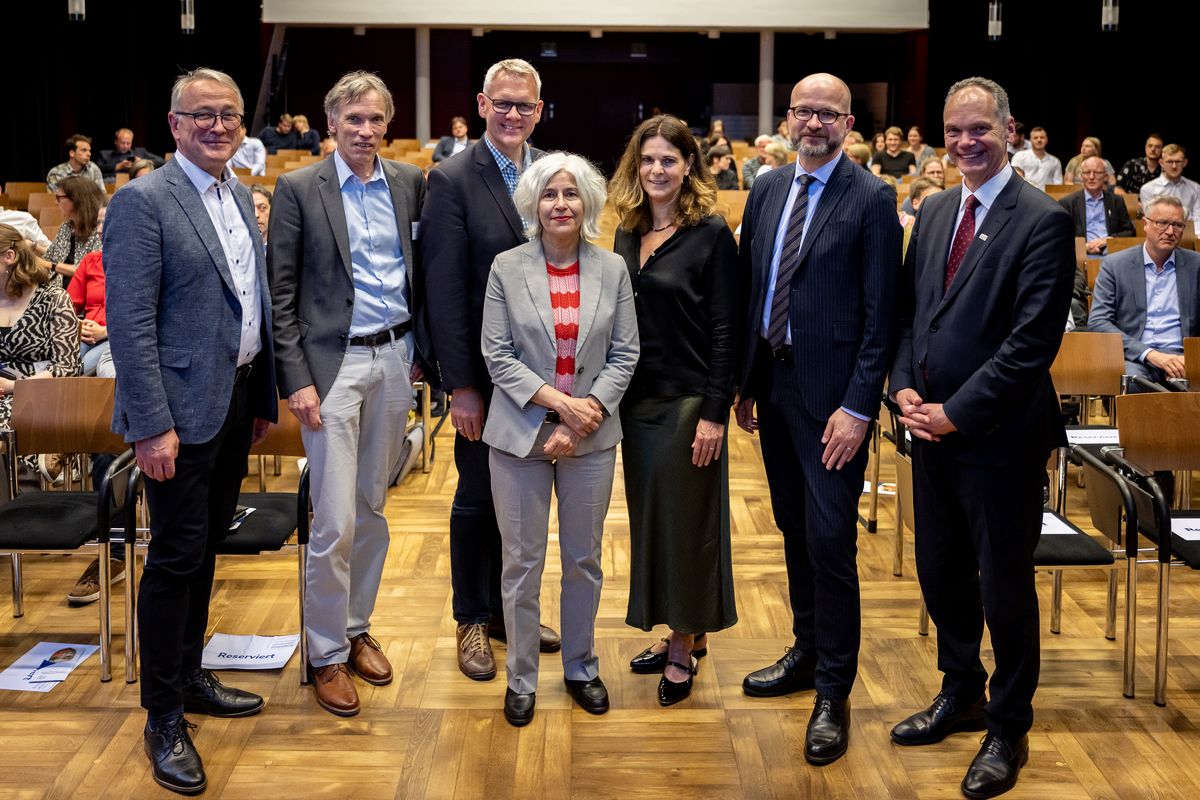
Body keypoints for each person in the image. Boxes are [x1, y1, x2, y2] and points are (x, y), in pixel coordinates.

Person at [889, 77, 1074, 799]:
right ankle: (960, 688)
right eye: (955, 130)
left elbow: (1031, 345)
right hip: (927, 431)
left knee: (1003, 584)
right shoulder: (935, 210)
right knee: (938, 571)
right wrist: (902, 386)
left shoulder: (1041, 220)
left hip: (998, 438)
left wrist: (956, 411)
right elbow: (910, 315)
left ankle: (1008, 724)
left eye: (980, 129)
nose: (966, 142)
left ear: (1009, 130)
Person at [104, 67, 278, 795]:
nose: (217, 126)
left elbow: (252, 302)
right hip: (175, 417)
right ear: (173, 125)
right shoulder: (144, 202)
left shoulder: (237, 192)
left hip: (232, 404)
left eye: (228, 116)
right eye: (201, 115)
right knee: (174, 561)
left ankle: (191, 673)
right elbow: (131, 325)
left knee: (205, 552)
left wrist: (260, 393)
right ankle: (162, 714)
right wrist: (150, 426)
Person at [736, 73, 899, 765]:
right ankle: (805, 651)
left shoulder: (872, 198)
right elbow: (753, 289)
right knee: (793, 528)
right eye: (804, 110)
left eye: (828, 114)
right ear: (788, 117)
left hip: (834, 401)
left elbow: (881, 315)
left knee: (832, 542)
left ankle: (835, 689)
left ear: (849, 124)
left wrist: (859, 407)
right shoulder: (770, 186)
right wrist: (744, 384)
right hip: (773, 388)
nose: (814, 122)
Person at [269, 71, 427, 717]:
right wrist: (296, 378)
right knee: (333, 520)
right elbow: (280, 295)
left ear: (388, 124)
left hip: (394, 358)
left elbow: (426, 270)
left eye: (375, 119)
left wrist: (422, 355)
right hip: (329, 368)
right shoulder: (300, 188)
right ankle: (325, 652)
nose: (365, 130)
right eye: (353, 119)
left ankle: (356, 625)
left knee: (372, 510)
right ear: (330, 123)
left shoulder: (411, 183)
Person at [482, 152, 638, 726]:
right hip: (519, 435)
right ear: (534, 204)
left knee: (583, 560)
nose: (561, 204)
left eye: (571, 194)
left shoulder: (613, 268)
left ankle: (581, 666)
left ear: (588, 203)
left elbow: (626, 353)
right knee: (521, 562)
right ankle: (522, 675)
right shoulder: (506, 267)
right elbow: (497, 355)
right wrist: (562, 407)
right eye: (550, 194)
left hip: (591, 440)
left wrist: (584, 416)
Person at [420, 57, 562, 682]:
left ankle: (510, 612)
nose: (512, 115)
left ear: (539, 109)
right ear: (481, 104)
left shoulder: (551, 174)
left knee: (523, 500)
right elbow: (444, 291)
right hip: (484, 374)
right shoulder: (452, 178)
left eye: (524, 106)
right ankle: (471, 619)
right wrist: (462, 387)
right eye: (502, 103)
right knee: (477, 498)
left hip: (544, 376)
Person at [609, 114, 739, 708]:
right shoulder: (627, 231)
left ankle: (683, 645)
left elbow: (725, 328)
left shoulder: (711, 232)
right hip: (636, 402)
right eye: (648, 159)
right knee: (654, 522)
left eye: (669, 159)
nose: (657, 169)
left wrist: (715, 410)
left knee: (688, 526)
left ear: (689, 166)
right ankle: (682, 628)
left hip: (690, 401)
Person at [1089, 195, 1199, 382]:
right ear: (1145, 224)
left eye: (1178, 225)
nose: (1170, 231)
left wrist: (1191, 357)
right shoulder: (1115, 265)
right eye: (1162, 223)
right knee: (1133, 383)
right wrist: (1150, 354)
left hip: (1183, 357)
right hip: (1136, 357)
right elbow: (1098, 322)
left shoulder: (1196, 265)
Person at [0, 221, 81, 445]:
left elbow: (67, 368)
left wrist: (14, 386)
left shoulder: (53, 299)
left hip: (40, 394)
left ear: (9, 256)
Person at [1059, 156, 1135, 255]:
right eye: (1087, 172)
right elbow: (1061, 235)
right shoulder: (1067, 203)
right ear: (1081, 176)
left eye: (1097, 172)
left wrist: (1109, 240)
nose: (1091, 177)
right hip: (1081, 255)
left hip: (1111, 253)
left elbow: (1129, 232)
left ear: (1105, 176)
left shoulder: (1116, 201)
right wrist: (1084, 247)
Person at [44, 176, 105, 290]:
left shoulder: (99, 230)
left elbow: (88, 270)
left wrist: (49, 265)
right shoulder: (66, 227)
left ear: (76, 199)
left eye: (59, 197)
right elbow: (49, 257)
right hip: (57, 292)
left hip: (84, 295)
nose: (55, 202)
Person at [1139, 144, 1200, 221]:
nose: (1174, 166)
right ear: (1161, 163)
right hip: (1160, 231)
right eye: (1169, 162)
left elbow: (1198, 220)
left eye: (1177, 161)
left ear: (1184, 162)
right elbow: (1151, 221)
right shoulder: (1148, 189)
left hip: (1189, 231)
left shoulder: (1196, 188)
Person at [899, 176, 944, 257]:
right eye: (933, 199)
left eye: (943, 200)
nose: (939, 204)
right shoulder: (905, 233)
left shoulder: (949, 228)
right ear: (915, 203)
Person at [96, 128, 165, 178]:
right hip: (112, 184)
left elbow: (162, 161)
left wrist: (142, 162)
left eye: (128, 143)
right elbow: (96, 168)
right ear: (116, 142)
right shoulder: (105, 154)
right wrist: (118, 166)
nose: (125, 146)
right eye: (122, 143)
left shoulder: (140, 152)